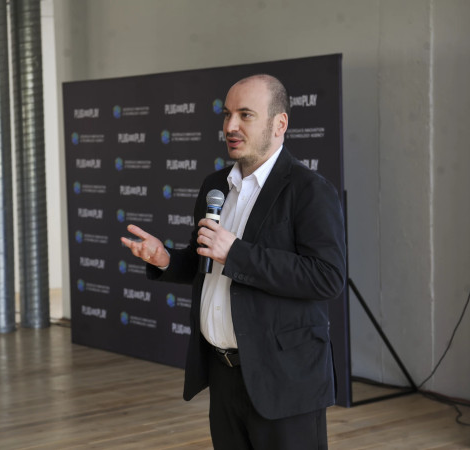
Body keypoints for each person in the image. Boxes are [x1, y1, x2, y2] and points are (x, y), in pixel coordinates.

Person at [121, 74, 346, 449]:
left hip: (285, 381)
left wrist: (236, 252)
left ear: (279, 123)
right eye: (226, 114)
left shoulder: (309, 190)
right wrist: (165, 259)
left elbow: (327, 277)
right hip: (223, 375)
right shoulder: (215, 186)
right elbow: (205, 263)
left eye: (245, 115)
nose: (230, 126)